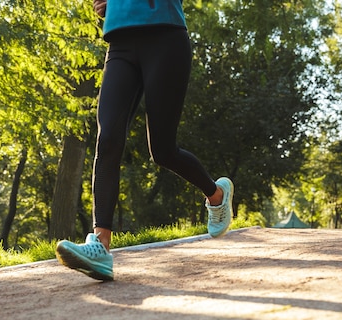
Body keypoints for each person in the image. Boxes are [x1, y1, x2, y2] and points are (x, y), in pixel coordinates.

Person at [55, 0, 234, 281]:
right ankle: (100, 245)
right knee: (108, 138)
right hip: (120, 42)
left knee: (162, 151)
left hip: (166, 36)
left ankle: (216, 195)